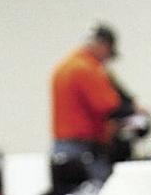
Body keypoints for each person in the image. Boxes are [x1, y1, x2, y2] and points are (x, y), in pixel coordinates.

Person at [50, 24, 139, 185]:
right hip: (83, 149)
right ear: (103, 46)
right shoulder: (87, 69)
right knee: (99, 192)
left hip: (62, 147)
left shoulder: (64, 66)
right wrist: (134, 110)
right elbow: (109, 106)